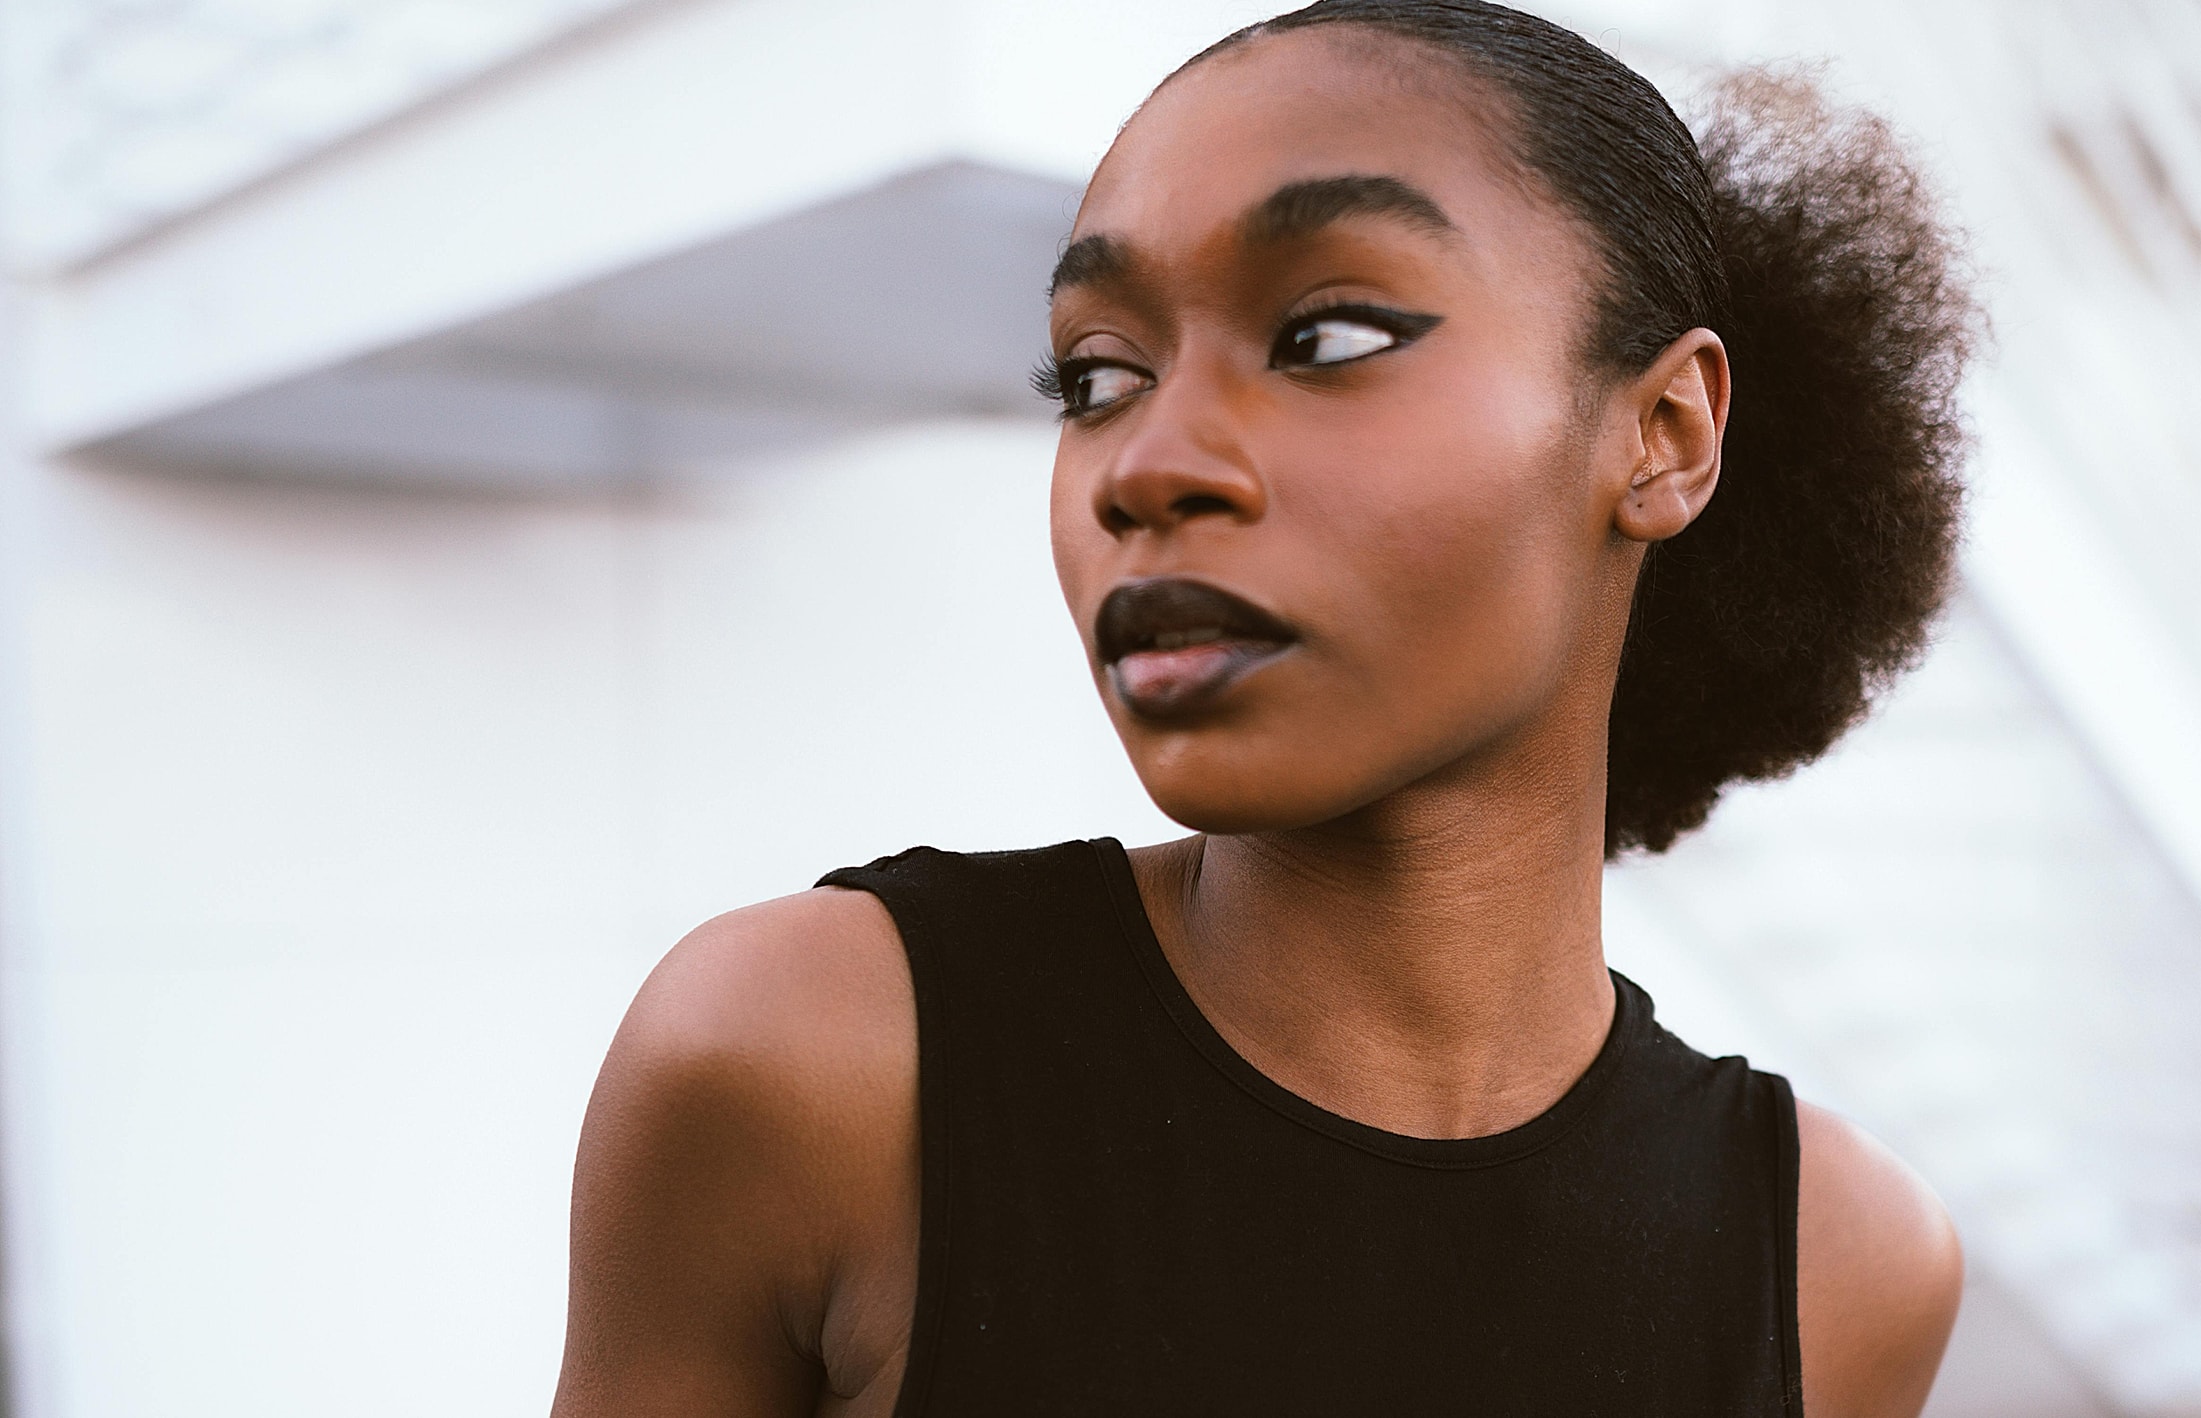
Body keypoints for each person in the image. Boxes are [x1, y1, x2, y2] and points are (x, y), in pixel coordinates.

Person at [552, 2, 1979, 1413]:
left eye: (1330, 337)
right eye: (1099, 376)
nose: (1146, 465)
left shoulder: (1836, 1265)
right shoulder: (815, 1069)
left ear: (1665, 436)